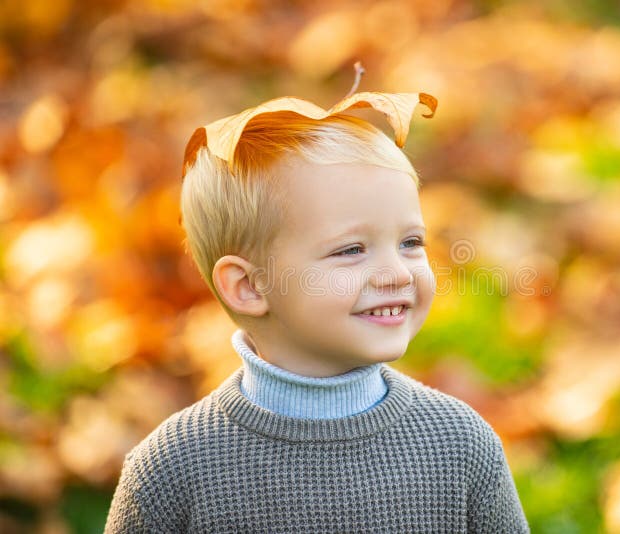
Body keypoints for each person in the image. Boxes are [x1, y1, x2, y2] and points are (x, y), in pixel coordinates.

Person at [104, 91, 530, 533]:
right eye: (351, 250)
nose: (396, 274)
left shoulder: (459, 445)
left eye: (411, 243)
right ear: (249, 286)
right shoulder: (172, 473)